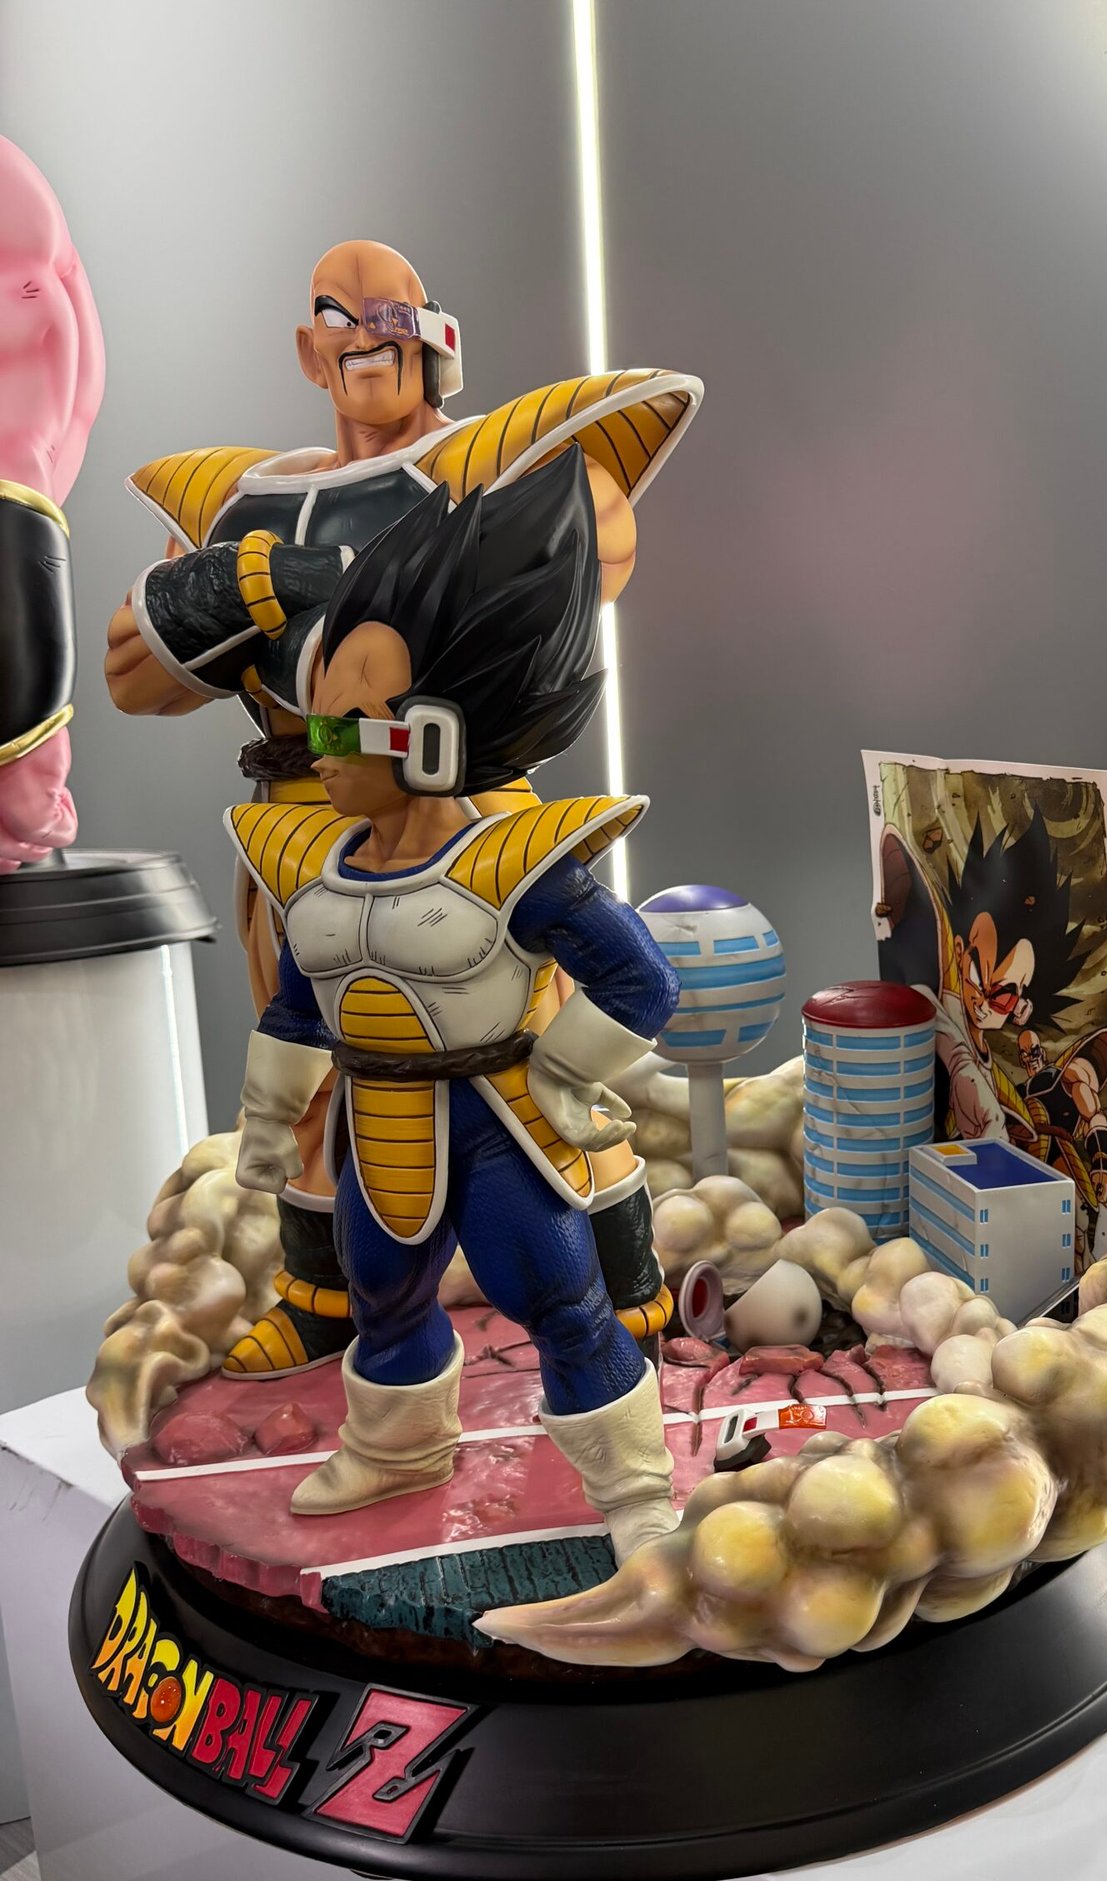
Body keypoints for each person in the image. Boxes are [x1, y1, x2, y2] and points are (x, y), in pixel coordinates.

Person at [105, 237, 699, 1378]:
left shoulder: (502, 463)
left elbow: (593, 555)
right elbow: (133, 676)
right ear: (309, 349)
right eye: (341, 317)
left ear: (437, 340)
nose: (369, 338)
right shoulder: (238, 499)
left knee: (532, 1054)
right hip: (302, 815)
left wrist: (459, 552)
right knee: (317, 1065)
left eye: (393, 317)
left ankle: (623, 1287)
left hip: (468, 813)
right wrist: (224, 589)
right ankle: (327, 1299)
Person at [227, 448, 680, 1559]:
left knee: (558, 1294)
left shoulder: (510, 863)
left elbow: (640, 978)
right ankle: (396, 1448)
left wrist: (564, 1070)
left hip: (496, 1123)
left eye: (346, 728)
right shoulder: (317, 869)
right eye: (317, 725)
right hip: (375, 1118)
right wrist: (266, 1119)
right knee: (380, 1292)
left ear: (430, 735)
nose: (321, 752)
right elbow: (301, 1007)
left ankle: (633, 1491)